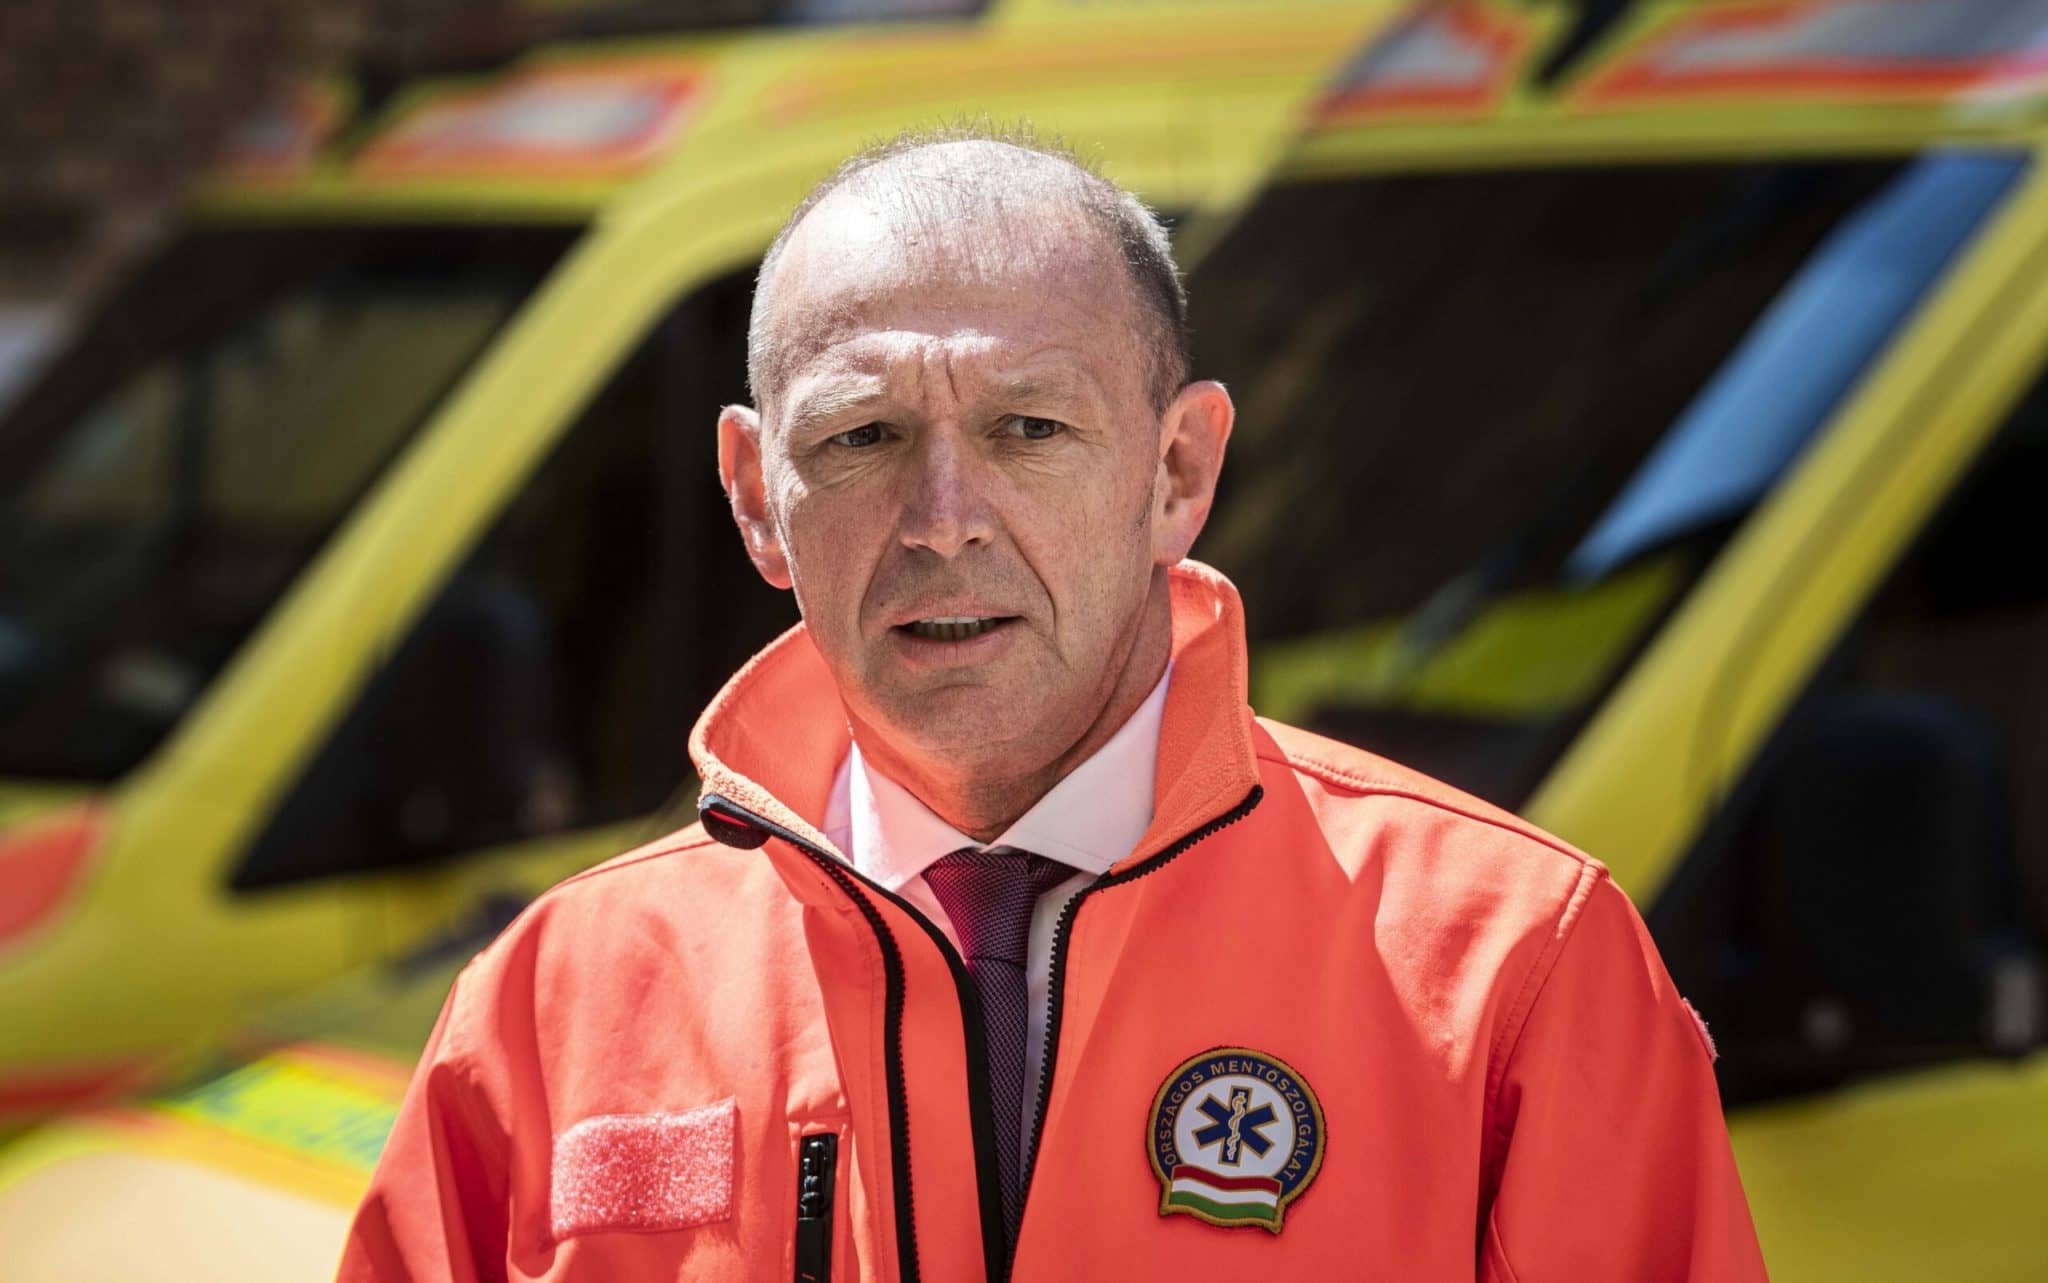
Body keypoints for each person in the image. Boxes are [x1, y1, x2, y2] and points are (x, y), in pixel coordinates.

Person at [337, 127, 1768, 1282]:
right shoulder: (550, 1004)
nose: (943, 519)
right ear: (758, 498)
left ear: (1178, 473)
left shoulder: (1515, 966)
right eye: (864, 436)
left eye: (1030, 428)